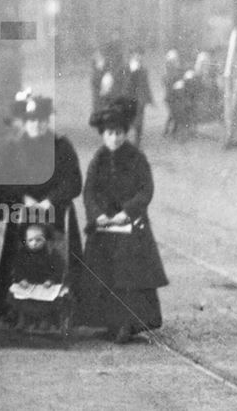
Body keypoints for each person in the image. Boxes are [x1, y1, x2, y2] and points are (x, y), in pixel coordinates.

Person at [82, 97, 168, 343]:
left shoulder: (136, 158)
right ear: (103, 134)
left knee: (128, 274)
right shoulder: (98, 159)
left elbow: (145, 190)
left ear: (125, 134)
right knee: (103, 272)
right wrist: (98, 214)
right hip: (104, 224)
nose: (115, 139)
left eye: (119, 133)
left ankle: (127, 323)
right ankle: (108, 321)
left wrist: (126, 212)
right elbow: (89, 191)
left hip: (131, 225)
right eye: (110, 133)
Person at [0, 96, 83, 321]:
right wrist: (23, 197)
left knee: (55, 259)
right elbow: (4, 180)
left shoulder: (61, 145)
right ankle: (15, 311)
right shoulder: (13, 146)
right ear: (24, 121)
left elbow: (73, 181)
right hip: (23, 210)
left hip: (54, 212)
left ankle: (60, 312)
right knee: (21, 259)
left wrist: (50, 200)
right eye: (31, 120)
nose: (37, 125)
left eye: (41, 120)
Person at [119, 48, 154, 147]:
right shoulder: (125, 68)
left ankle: (137, 144)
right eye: (136, 54)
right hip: (128, 98)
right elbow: (125, 84)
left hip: (139, 100)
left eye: (140, 54)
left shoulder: (143, 69)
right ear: (132, 55)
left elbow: (146, 85)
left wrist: (150, 99)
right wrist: (132, 72)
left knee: (139, 123)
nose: (138, 56)